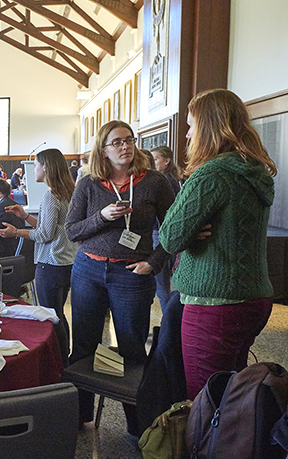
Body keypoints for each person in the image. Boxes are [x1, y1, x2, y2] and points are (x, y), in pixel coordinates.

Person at [159, 89, 277, 399]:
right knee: (231, 393)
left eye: (191, 125)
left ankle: (208, 436)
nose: (187, 135)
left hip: (215, 302)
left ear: (209, 127)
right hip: (254, 296)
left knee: (204, 400)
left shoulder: (211, 174)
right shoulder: (255, 171)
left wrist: (189, 229)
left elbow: (170, 236)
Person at [65, 120, 174, 430]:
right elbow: (72, 230)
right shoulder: (89, 183)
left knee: (132, 349)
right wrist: (102, 216)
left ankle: (137, 427)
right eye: (117, 142)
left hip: (132, 274)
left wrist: (154, 263)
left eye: (129, 140)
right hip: (88, 271)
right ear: (103, 150)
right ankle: (80, 416)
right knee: (83, 346)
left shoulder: (154, 181)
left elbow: (172, 229)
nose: (125, 146)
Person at [0, 149, 78, 364]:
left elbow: (44, 235)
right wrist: (24, 216)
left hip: (51, 263)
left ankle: (59, 362)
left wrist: (16, 232)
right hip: (66, 262)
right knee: (58, 313)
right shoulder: (69, 192)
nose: (32, 170)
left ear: (46, 167)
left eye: (36, 165)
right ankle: (64, 357)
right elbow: (51, 228)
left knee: (50, 316)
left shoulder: (51, 195)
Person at [150, 145, 182, 309]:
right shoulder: (172, 179)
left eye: (156, 159)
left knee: (161, 285)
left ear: (167, 161)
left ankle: (168, 319)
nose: (152, 163)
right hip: (162, 232)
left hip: (160, 232)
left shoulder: (165, 181)